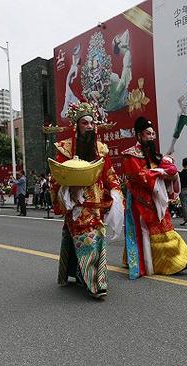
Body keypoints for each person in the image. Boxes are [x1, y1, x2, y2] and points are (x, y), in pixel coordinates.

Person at [50, 101, 123, 299]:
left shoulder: (101, 149)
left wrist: (115, 190)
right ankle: (95, 283)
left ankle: (91, 277)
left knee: (97, 238)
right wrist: (67, 191)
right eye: (85, 123)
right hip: (76, 203)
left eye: (92, 123)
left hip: (96, 202)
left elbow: (109, 173)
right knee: (87, 239)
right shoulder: (64, 149)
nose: (90, 126)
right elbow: (57, 176)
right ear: (76, 126)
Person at [122, 117, 187, 279]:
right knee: (146, 230)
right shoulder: (130, 155)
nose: (151, 137)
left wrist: (168, 170)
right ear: (139, 135)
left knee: (164, 227)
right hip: (140, 199)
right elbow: (139, 176)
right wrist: (160, 173)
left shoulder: (153, 155)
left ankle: (174, 261)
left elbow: (166, 168)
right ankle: (164, 263)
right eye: (147, 133)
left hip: (156, 196)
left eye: (152, 133)